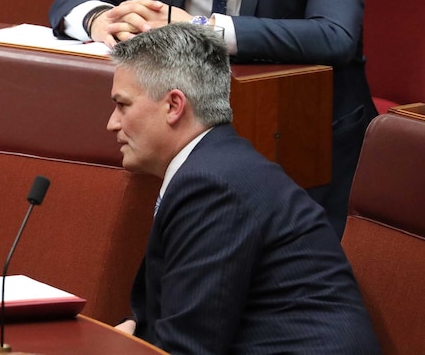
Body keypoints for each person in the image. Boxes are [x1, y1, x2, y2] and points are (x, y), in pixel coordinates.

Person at [49, 0, 376, 238]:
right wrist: (98, 20)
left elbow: (335, 35)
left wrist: (202, 29)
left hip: (307, 156)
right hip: (196, 161)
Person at [106, 22, 379, 353]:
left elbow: (187, 346)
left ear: (173, 106)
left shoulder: (213, 184)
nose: (113, 123)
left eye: (123, 105)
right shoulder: (216, 167)